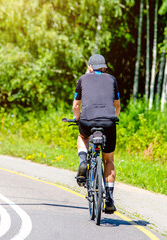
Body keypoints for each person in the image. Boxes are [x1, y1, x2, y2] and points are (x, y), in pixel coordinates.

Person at [72, 54, 121, 213]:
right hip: (108, 122)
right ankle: (109, 198)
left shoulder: (82, 79)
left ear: (90, 67)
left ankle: (82, 161)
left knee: (82, 136)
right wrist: (114, 118)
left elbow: (76, 106)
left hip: (87, 121)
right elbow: (117, 105)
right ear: (104, 68)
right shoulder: (112, 79)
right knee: (109, 160)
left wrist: (77, 119)